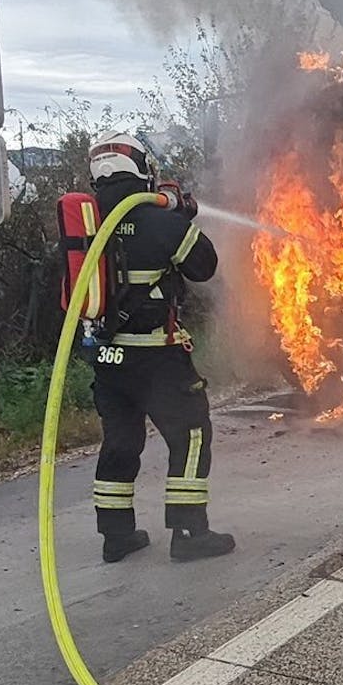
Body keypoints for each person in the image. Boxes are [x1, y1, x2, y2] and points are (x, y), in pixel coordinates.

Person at [86, 132, 236, 563]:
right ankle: (189, 532)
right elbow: (203, 267)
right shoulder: (159, 220)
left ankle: (116, 536)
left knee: (119, 440)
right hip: (157, 356)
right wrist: (183, 216)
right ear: (141, 169)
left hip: (106, 357)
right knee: (190, 434)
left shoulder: (86, 221)